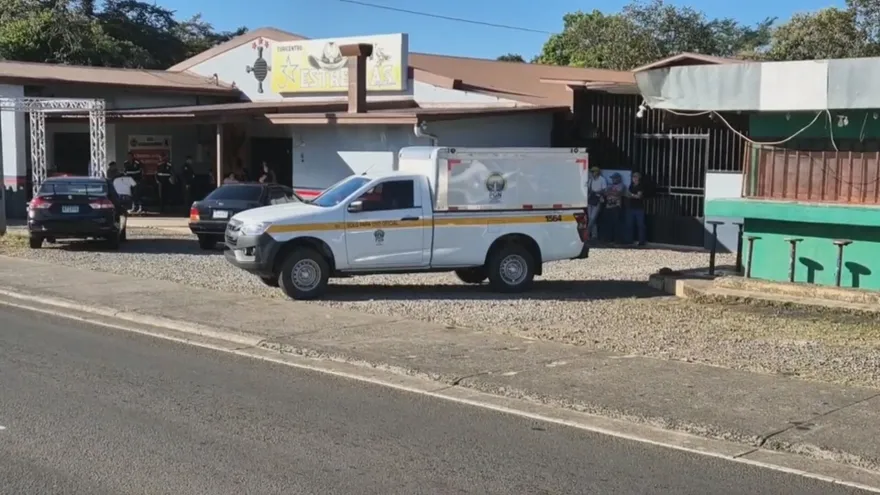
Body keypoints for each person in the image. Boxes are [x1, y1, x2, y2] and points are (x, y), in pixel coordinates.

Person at [626, 171, 648, 246]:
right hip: (631, 207)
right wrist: (631, 195)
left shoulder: (640, 186)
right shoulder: (631, 186)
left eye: (635, 177)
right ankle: (629, 240)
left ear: (639, 178)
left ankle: (642, 241)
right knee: (630, 224)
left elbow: (639, 196)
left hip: (639, 208)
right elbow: (628, 195)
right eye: (633, 177)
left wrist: (631, 195)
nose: (634, 178)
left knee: (640, 225)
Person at [602, 173, 626, 243]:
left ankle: (617, 240)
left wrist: (610, 192)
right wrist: (611, 192)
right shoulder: (610, 185)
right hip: (608, 206)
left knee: (616, 224)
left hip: (616, 207)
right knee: (608, 224)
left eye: (614, 178)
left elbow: (618, 193)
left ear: (618, 179)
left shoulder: (622, 185)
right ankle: (608, 239)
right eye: (612, 178)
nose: (613, 180)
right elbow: (605, 193)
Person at [585, 166, 607, 241]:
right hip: (590, 200)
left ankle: (587, 234)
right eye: (592, 172)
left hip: (597, 200)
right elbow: (587, 188)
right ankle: (594, 235)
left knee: (592, 218)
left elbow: (604, 190)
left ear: (597, 172)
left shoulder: (602, 180)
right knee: (591, 218)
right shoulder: (590, 180)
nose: (592, 173)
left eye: (593, 172)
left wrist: (596, 192)